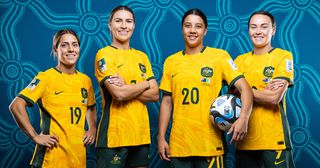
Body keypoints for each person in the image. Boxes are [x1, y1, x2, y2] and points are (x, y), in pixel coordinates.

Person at [158, 9, 253, 168]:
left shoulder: (219, 56)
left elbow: (246, 89)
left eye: (198, 26)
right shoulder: (171, 61)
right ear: (182, 29)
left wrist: (243, 118)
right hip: (179, 144)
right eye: (188, 26)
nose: (193, 30)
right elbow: (167, 102)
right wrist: (161, 137)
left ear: (205, 30)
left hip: (210, 144)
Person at [9, 29, 97, 168]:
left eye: (74, 44)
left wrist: (92, 128)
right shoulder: (45, 78)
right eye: (64, 45)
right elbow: (16, 105)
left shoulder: (85, 81)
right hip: (51, 160)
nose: (70, 49)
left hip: (78, 159)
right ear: (56, 49)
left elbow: (90, 107)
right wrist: (35, 136)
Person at [94, 5, 159, 168]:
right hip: (114, 136)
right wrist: (145, 84)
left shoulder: (142, 57)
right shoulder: (104, 54)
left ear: (134, 26)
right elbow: (119, 94)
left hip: (141, 135)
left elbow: (155, 95)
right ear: (110, 25)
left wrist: (128, 86)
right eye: (118, 21)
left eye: (128, 21)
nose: (124, 25)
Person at [234, 11, 295, 168]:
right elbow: (231, 97)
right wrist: (261, 92)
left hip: (274, 140)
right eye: (253, 27)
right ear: (248, 30)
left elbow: (274, 98)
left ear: (273, 30)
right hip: (244, 141)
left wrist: (245, 90)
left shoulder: (283, 56)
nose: (258, 31)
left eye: (264, 26)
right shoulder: (239, 61)